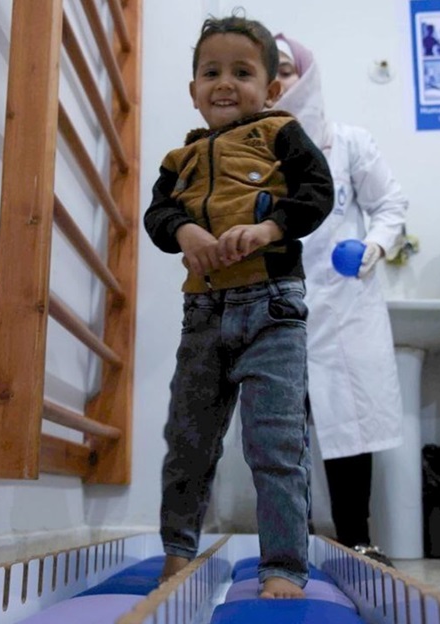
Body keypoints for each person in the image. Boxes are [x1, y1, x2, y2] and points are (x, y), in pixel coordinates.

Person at [143, 15, 334, 599]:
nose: (224, 83)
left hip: (270, 309)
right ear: (194, 89)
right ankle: (178, 554)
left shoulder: (281, 133)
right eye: (211, 72)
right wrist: (186, 235)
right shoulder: (179, 159)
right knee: (188, 441)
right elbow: (158, 215)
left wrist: (273, 227)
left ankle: (282, 565)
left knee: (275, 444)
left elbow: (317, 192)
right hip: (203, 314)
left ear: (272, 88)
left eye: (242, 72)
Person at [271, 33, 407, 566]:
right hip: (279, 300)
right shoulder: (248, 147)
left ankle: (358, 539)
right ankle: (291, 542)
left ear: (305, 74)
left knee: (350, 421)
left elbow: (390, 203)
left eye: (285, 67)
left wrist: (373, 246)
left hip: (343, 301)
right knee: (283, 426)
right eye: (269, 69)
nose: (278, 78)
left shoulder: (348, 142)